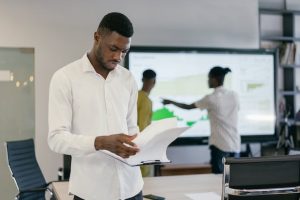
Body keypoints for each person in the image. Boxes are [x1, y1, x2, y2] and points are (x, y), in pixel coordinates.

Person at [48, 12, 143, 200]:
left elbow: (132, 128)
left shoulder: (128, 79)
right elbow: (56, 139)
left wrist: (145, 146)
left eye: (124, 51)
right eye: (113, 48)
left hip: (132, 188)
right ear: (97, 37)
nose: (118, 57)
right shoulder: (65, 78)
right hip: (92, 192)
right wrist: (100, 142)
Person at [162, 66, 240, 174]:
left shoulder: (211, 98)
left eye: (209, 78)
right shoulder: (234, 95)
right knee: (234, 179)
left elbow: (188, 107)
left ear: (215, 79)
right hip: (235, 145)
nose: (208, 81)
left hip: (220, 145)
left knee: (218, 179)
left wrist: (170, 101)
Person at [137, 69, 156, 176]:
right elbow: (142, 125)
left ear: (142, 79)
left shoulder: (135, 96)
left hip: (130, 142)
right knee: (144, 178)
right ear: (154, 82)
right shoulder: (146, 101)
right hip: (141, 145)